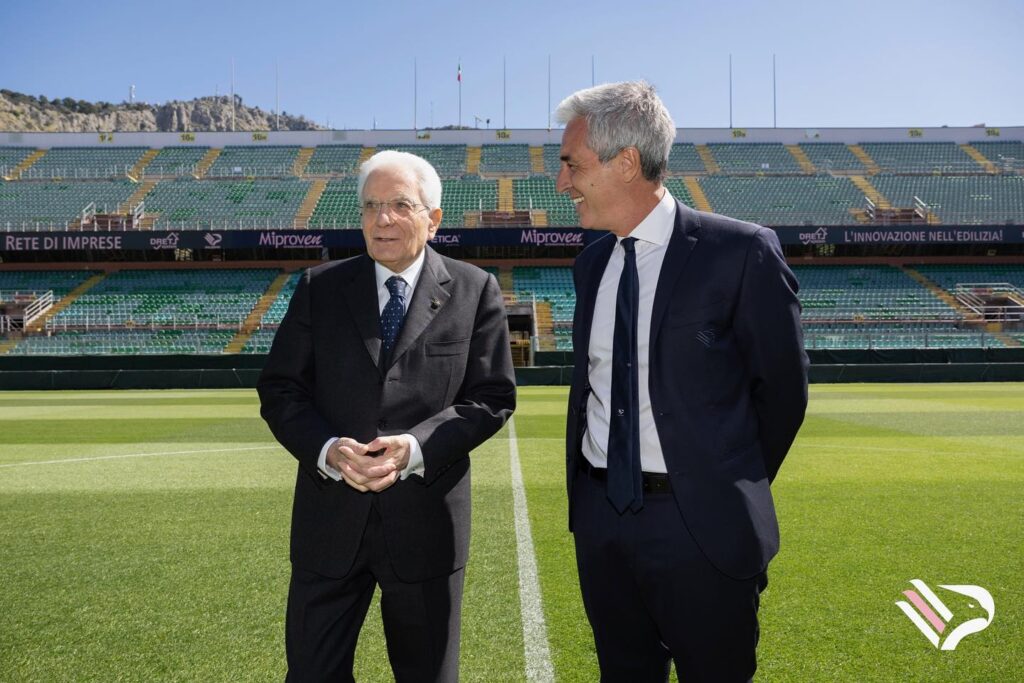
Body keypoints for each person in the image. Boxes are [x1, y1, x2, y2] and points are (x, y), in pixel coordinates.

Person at [558, 81, 809, 681]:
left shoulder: (740, 251)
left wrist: (716, 481)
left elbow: (783, 395)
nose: (562, 182)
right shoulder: (591, 262)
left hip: (701, 527)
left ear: (626, 163)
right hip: (602, 519)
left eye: (572, 164)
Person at [258, 150, 516, 682]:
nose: (382, 220)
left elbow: (491, 397)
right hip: (329, 525)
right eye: (371, 206)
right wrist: (328, 450)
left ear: (434, 217)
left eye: (400, 205)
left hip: (425, 525)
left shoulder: (474, 289)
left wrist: (417, 448)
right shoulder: (318, 288)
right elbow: (281, 390)